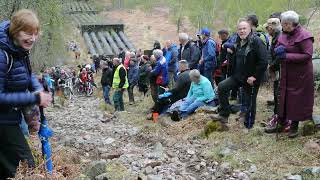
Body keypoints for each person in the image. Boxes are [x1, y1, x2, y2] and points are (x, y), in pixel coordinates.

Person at [0, 9, 52, 179]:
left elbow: (27, 74)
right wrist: (35, 98)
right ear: (15, 31)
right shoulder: (2, 55)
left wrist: (37, 88)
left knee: (9, 169)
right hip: (3, 122)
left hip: (10, 119)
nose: (32, 38)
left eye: (35, 33)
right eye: (27, 33)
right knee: (27, 167)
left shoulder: (17, 50)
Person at [265, 11, 314, 138]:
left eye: (284, 23)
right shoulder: (284, 34)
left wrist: (286, 55)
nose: (282, 26)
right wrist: (278, 49)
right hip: (286, 72)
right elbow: (280, 45)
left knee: (295, 99)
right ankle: (281, 123)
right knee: (283, 97)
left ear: (291, 23)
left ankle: (294, 127)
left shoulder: (304, 35)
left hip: (300, 74)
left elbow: (307, 55)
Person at [212, 19, 268, 129]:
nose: (242, 31)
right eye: (240, 29)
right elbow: (238, 58)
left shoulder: (256, 41)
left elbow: (264, 61)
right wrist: (231, 53)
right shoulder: (237, 41)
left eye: (244, 28)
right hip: (237, 76)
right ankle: (224, 114)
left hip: (250, 78)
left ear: (250, 29)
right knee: (222, 87)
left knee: (249, 101)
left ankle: (249, 126)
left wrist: (255, 77)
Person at [262, 18, 282, 128]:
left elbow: (279, 56)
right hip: (275, 68)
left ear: (271, 27)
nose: (267, 30)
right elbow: (271, 53)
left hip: (279, 70)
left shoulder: (280, 37)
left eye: (267, 27)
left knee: (278, 93)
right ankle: (276, 116)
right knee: (276, 92)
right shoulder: (275, 37)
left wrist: (272, 66)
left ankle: (278, 118)